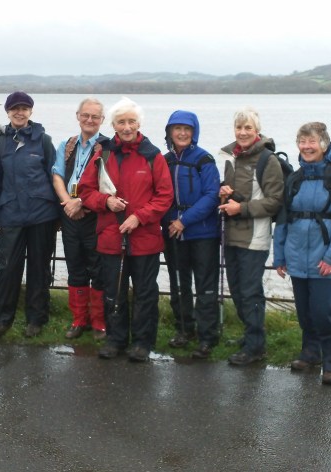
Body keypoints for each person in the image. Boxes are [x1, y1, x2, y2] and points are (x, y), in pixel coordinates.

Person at [78, 97, 173, 362]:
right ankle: (115, 339)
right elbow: (85, 191)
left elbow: (165, 196)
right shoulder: (103, 154)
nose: (127, 126)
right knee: (113, 291)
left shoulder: (153, 156)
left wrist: (139, 217)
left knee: (144, 292)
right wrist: (105, 201)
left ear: (139, 123)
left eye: (131, 121)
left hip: (145, 238)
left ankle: (142, 343)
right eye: (121, 122)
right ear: (114, 125)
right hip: (111, 236)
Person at [273, 122, 331, 385]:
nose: (306, 147)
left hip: (325, 261)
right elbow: (283, 221)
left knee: (323, 312)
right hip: (297, 258)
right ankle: (310, 354)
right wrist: (280, 257)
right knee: (305, 312)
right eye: (302, 141)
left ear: (323, 144)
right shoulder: (295, 179)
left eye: (311, 142)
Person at [217, 107, 284, 366]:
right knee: (236, 289)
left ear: (257, 131)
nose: (242, 132)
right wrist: (222, 193)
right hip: (230, 234)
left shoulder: (269, 161)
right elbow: (228, 194)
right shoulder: (230, 157)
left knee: (250, 291)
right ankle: (250, 336)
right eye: (239, 127)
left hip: (255, 237)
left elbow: (275, 201)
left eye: (248, 128)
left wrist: (240, 208)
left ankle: (256, 347)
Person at [0, 91, 58, 338]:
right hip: (11, 215)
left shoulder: (44, 140)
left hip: (42, 215)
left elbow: (54, 177)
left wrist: (58, 212)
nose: (19, 112)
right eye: (15, 108)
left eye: (24, 108)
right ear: (7, 111)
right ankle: (2, 317)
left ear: (31, 111)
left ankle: (36, 318)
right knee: (8, 268)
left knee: (40, 268)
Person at [161, 110, 221, 359]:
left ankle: (208, 336)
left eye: (188, 129)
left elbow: (211, 195)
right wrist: (169, 221)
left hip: (202, 232)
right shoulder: (163, 161)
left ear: (194, 132)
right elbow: (159, 194)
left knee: (205, 286)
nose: (183, 133)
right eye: (177, 129)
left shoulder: (204, 159)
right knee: (178, 282)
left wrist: (184, 221)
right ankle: (184, 329)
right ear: (169, 132)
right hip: (173, 231)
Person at [52, 98, 110, 341]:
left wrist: (82, 203)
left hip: (94, 215)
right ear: (77, 116)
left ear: (102, 120)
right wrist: (68, 202)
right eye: (85, 115)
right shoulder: (67, 144)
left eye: (95, 117)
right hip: (70, 214)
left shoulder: (108, 147)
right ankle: (78, 320)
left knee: (97, 268)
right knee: (75, 267)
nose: (89, 120)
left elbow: (110, 184)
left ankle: (98, 322)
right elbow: (57, 175)